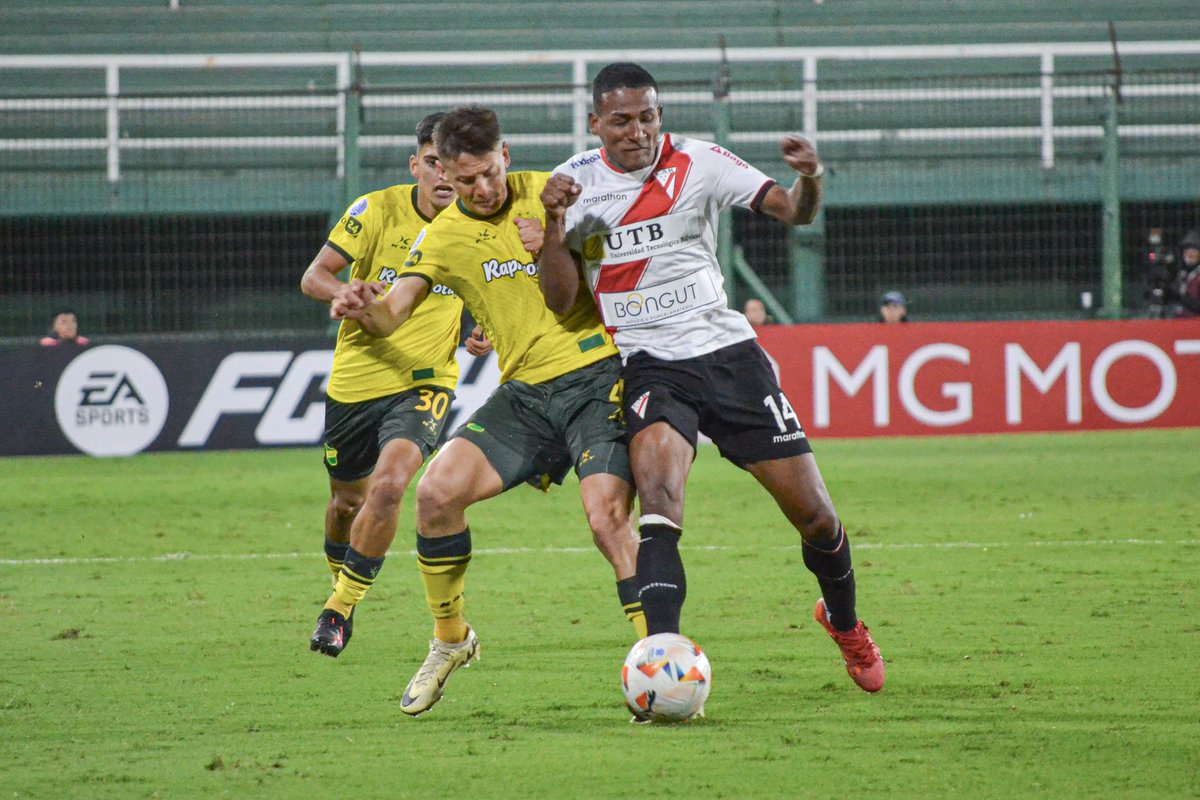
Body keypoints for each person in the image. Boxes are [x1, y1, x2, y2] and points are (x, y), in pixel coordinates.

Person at [537, 62, 884, 693]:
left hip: (729, 357)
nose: (637, 131)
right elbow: (561, 303)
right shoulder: (575, 184)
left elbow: (794, 213)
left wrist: (811, 177)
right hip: (649, 365)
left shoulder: (700, 162)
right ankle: (659, 665)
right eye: (621, 120)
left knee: (816, 519)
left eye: (648, 116)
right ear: (596, 123)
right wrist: (555, 227)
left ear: (659, 115)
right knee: (660, 510)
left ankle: (844, 622)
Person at [332, 105, 643, 715]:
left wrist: (561, 241)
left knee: (607, 519)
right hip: (525, 392)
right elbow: (393, 311)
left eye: (491, 172)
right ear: (443, 170)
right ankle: (450, 640)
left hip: (596, 376)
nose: (483, 188)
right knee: (434, 494)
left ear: (507, 154)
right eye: (466, 178)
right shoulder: (442, 233)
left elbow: (619, 274)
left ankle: (656, 653)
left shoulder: (552, 192)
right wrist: (358, 302)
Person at [301, 111, 491, 658]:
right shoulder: (375, 210)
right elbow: (314, 275)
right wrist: (342, 295)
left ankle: (337, 610)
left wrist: (478, 332)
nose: (440, 176)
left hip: (425, 382)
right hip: (356, 382)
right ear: (416, 164)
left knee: (390, 487)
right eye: (430, 163)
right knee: (345, 504)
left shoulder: (473, 227)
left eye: (448, 166)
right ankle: (345, 585)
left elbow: (486, 295)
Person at [1175, 230, 1200, 318]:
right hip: (1182, 322)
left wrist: (1184, 298)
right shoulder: (1182, 274)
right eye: (1186, 249)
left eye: (1194, 249)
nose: (1189, 254)